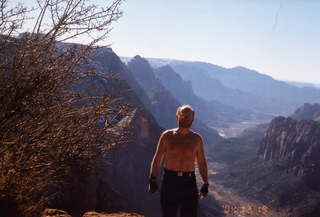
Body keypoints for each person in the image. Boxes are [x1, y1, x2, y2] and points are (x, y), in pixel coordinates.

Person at [148, 104, 209, 217]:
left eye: (189, 116)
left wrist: (206, 183)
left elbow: (201, 162)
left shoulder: (197, 139)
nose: (186, 118)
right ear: (177, 116)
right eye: (183, 115)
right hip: (169, 181)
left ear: (193, 118)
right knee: (168, 214)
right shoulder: (167, 136)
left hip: (189, 182)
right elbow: (157, 158)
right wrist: (152, 178)